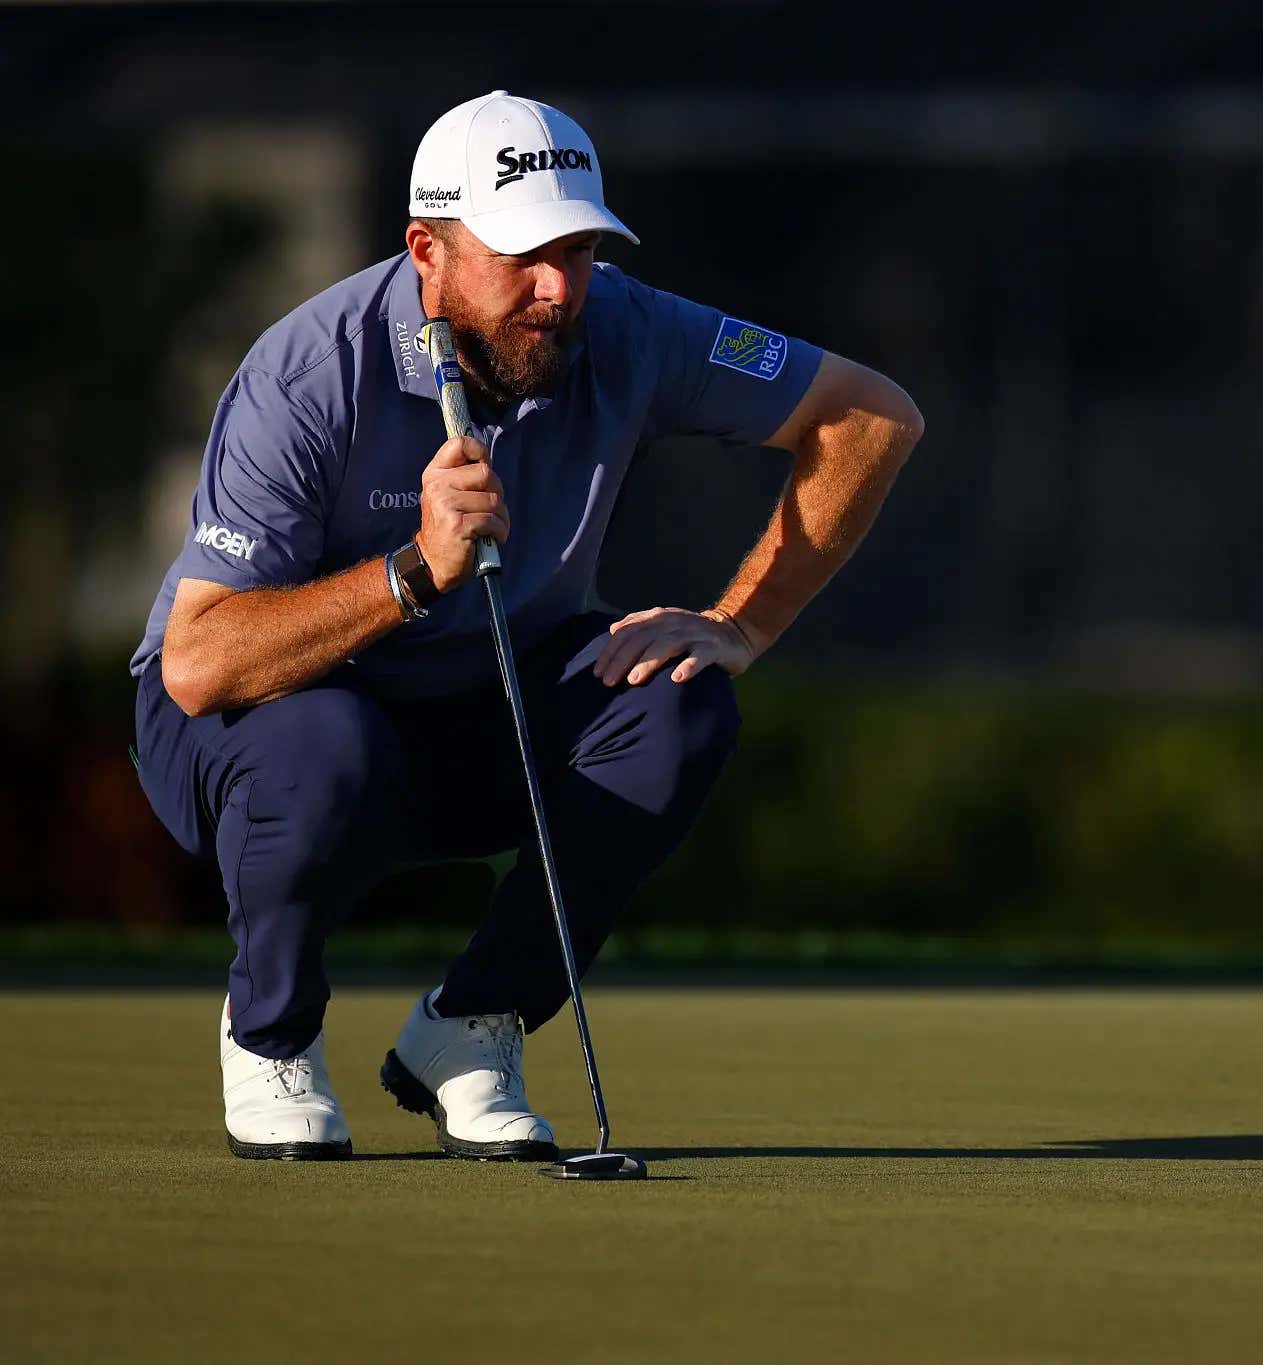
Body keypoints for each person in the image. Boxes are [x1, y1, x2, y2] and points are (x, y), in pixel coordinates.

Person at [128, 91, 923, 1162]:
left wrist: (741, 624)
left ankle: (470, 1030)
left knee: (676, 707)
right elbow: (197, 664)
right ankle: (271, 1035)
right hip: (258, 731)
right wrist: (414, 572)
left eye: (580, 251)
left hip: (475, 701)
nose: (559, 289)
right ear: (428, 250)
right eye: (523, 256)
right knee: (329, 746)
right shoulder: (308, 372)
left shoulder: (624, 325)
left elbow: (869, 416)